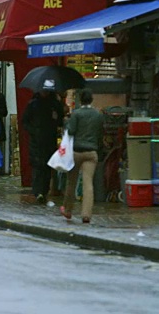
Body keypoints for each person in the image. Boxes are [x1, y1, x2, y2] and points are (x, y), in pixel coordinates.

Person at [60, 89, 104, 224]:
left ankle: (68, 210)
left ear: (80, 100)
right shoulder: (98, 115)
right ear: (91, 100)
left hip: (76, 152)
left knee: (71, 182)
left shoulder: (76, 114)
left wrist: (67, 122)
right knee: (88, 184)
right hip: (91, 152)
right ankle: (86, 215)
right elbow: (100, 133)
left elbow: (71, 130)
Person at [22, 89, 64, 204]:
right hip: (36, 140)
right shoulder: (33, 104)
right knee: (37, 165)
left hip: (49, 139)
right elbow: (25, 121)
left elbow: (60, 120)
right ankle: (38, 191)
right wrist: (33, 131)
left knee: (47, 166)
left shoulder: (54, 104)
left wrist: (57, 114)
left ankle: (44, 191)